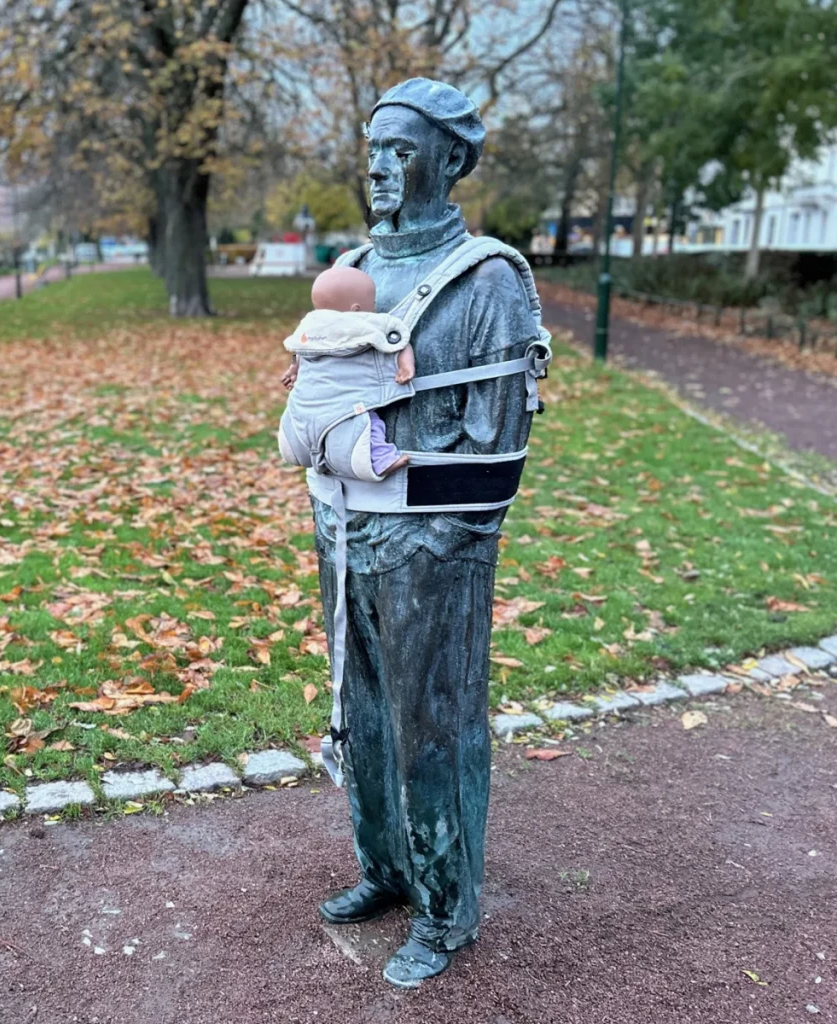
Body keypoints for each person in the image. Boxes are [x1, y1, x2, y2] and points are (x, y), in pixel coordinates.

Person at [307, 78, 548, 988]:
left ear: (449, 161)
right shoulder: (353, 267)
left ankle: (447, 911)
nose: (378, 166)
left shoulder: (489, 279)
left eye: (400, 150)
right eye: (372, 149)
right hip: (341, 528)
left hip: (431, 543)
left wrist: (441, 537)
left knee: (432, 723)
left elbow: (499, 442)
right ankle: (387, 869)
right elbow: (321, 392)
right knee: (360, 710)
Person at [280, 265, 413, 478]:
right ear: (357, 308)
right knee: (372, 426)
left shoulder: (311, 324)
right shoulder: (367, 323)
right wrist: (406, 367)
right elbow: (398, 340)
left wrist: (294, 369)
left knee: (309, 432)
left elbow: (299, 350)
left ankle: (300, 449)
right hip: (347, 404)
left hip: (307, 405)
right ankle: (381, 461)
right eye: (373, 302)